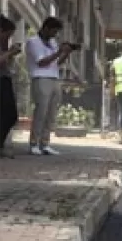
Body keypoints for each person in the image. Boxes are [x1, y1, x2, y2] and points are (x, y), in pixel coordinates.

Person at [25, 17, 77, 156]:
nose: (55, 35)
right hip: (40, 77)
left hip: (54, 78)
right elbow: (41, 62)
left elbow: (56, 62)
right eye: (53, 31)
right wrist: (59, 52)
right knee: (41, 111)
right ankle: (34, 143)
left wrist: (66, 53)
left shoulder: (53, 42)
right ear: (46, 28)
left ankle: (45, 143)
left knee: (51, 113)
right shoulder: (33, 41)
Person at [0, 16, 21, 157]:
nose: (8, 38)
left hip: (5, 79)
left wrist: (11, 54)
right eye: (7, 35)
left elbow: (6, 64)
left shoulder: (3, 45)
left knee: (10, 114)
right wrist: (10, 53)